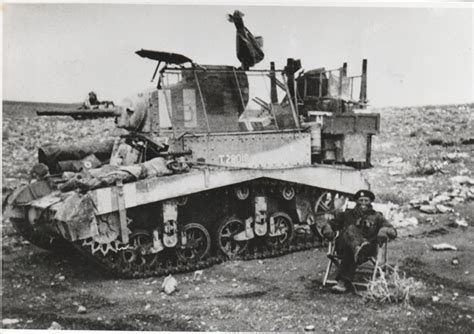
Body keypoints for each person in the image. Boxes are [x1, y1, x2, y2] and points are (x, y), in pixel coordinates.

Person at [321, 189, 397, 293]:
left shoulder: (377, 216)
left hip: (367, 249)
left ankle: (343, 282)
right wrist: (328, 229)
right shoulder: (347, 214)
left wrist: (384, 231)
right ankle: (358, 248)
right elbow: (330, 224)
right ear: (356, 201)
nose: (363, 203)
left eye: (366, 200)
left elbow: (391, 229)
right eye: (360, 200)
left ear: (370, 202)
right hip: (344, 246)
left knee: (350, 248)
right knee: (350, 230)